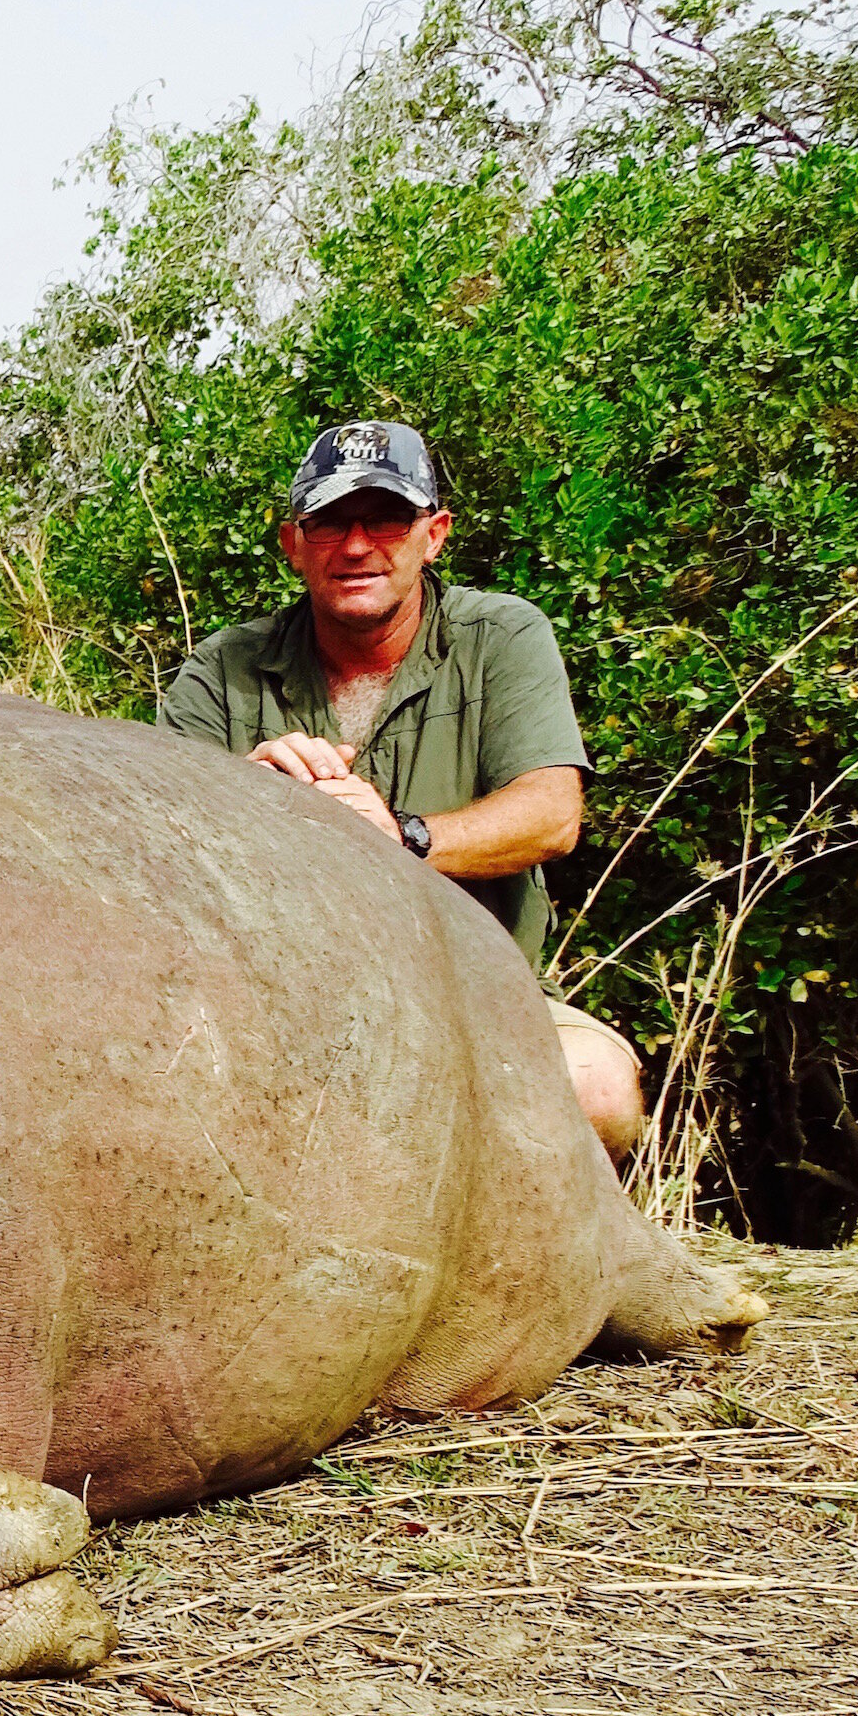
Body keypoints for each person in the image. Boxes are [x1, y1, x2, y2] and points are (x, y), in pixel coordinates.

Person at [157, 419, 644, 1162]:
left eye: (385, 518)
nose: (356, 547)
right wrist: (246, 801)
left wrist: (401, 835)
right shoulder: (226, 665)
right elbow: (149, 843)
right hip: (267, 1007)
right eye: (328, 523)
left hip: (473, 1001)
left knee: (598, 1090)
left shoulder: (502, 637)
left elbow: (552, 816)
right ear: (293, 544)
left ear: (434, 533)